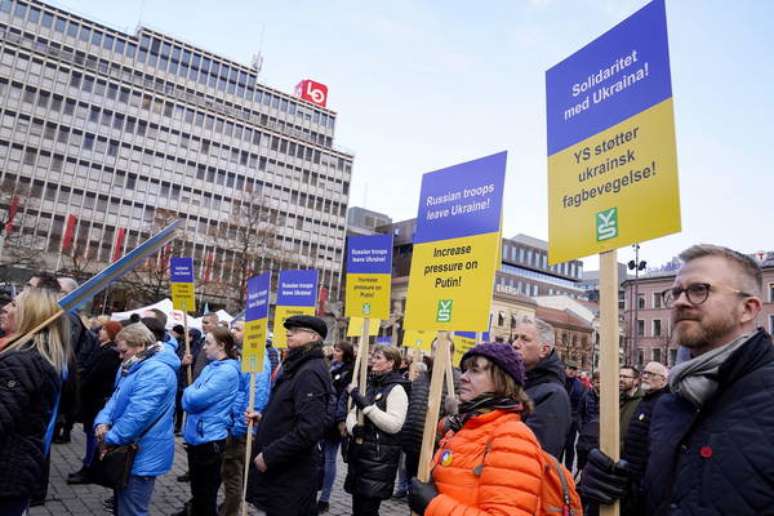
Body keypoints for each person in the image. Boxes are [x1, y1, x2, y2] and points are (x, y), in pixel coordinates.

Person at [581, 244, 774, 515]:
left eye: (699, 290)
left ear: (748, 309)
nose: (680, 301)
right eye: (675, 293)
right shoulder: (672, 402)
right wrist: (614, 495)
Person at [408, 343, 543, 515]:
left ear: (501, 380)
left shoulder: (512, 437)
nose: (463, 377)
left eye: (475, 370)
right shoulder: (464, 427)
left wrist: (433, 505)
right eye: (465, 370)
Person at [245, 315, 333, 516]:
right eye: (289, 329)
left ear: (313, 337)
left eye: (296, 330)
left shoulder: (309, 371)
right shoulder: (297, 365)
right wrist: (265, 418)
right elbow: (290, 409)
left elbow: (310, 428)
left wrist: (270, 455)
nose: (288, 333)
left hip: (292, 475)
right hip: (284, 473)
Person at [94, 323, 178, 516]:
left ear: (140, 345)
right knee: (123, 506)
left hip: (142, 452)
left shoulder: (156, 370)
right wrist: (102, 421)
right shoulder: (135, 365)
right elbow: (115, 398)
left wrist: (109, 438)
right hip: (129, 448)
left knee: (132, 509)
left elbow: (137, 416)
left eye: (124, 351)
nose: (120, 355)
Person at [0, 288, 69, 515]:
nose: (5, 308)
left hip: (7, 473)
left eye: (14, 305)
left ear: (29, 315)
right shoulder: (26, 356)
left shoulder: (23, 361)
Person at [174, 327, 240, 516]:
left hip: (210, 439)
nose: (203, 347)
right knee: (198, 492)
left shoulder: (226, 372)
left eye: (208, 343)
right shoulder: (212, 367)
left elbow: (194, 399)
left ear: (222, 346)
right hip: (198, 435)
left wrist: (188, 394)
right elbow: (193, 394)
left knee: (205, 495)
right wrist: (190, 395)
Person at [344, 345, 409, 515]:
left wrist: (368, 407)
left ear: (391, 363)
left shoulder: (397, 389)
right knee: (358, 509)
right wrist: (353, 428)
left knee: (368, 510)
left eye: (378, 357)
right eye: (373, 356)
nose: (373, 360)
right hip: (360, 455)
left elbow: (394, 425)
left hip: (378, 460)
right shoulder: (371, 384)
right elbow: (352, 413)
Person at [219, 321, 271, 516]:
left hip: (242, 428)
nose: (233, 332)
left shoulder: (258, 360)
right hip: (235, 424)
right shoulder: (245, 356)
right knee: (231, 474)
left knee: (234, 476)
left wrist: (240, 427)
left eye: (238, 329)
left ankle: (232, 512)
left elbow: (255, 397)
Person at [67, 320, 123, 485]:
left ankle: (89, 469)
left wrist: (82, 382)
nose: (100, 331)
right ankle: (87, 466)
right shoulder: (102, 348)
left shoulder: (110, 352)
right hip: (91, 399)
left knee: (93, 436)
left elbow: (97, 375)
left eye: (104, 329)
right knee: (89, 434)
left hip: (97, 400)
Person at [511, 316, 571, 457]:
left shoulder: (553, 395)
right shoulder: (517, 384)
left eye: (525, 339)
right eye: (515, 337)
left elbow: (536, 455)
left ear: (544, 350)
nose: (515, 344)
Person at [619, 361, 669, 516]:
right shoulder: (646, 400)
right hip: (631, 473)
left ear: (663, 380)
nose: (646, 376)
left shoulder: (664, 403)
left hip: (643, 477)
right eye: (644, 373)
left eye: (651, 374)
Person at [318, 341, 355, 513]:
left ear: (346, 353)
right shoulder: (331, 366)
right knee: (322, 457)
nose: (335, 352)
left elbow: (341, 396)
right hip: (324, 417)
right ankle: (318, 489)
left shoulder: (350, 371)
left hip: (335, 420)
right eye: (335, 349)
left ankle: (324, 498)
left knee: (330, 458)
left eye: (339, 350)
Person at [562, 359, 586, 470]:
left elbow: (581, 404)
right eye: (570, 369)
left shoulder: (580, 385)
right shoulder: (559, 381)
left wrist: (576, 419)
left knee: (570, 446)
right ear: (565, 369)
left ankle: (569, 469)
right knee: (559, 446)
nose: (571, 371)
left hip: (572, 421)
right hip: (559, 419)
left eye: (574, 369)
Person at [576, 370, 600, 472]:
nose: (600, 384)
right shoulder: (586, 396)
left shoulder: (609, 398)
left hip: (600, 437)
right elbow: (579, 414)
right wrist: (582, 429)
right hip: (586, 436)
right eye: (597, 381)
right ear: (593, 382)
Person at [618, 364, 642, 449]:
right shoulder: (616, 399)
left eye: (625, 377)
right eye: (620, 376)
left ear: (636, 381)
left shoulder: (642, 401)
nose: (621, 379)